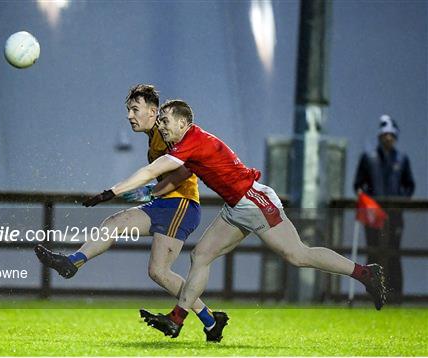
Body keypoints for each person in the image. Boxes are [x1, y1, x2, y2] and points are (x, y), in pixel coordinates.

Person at [83, 99, 388, 339]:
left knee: (298, 255)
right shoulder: (185, 143)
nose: (161, 126)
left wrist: (113, 190)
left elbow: (152, 172)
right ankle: (177, 320)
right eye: (159, 120)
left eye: (165, 120)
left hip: (253, 202)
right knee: (200, 256)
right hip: (235, 206)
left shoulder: (191, 141)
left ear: (184, 122)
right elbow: (160, 176)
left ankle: (365, 273)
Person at [35, 85, 229, 342]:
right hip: (165, 205)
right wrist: (138, 193)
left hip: (180, 206)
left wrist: (143, 192)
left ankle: (210, 320)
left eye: (135, 109)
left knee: (159, 271)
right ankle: (72, 263)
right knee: (115, 223)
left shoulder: (164, 133)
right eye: (128, 110)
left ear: (153, 112)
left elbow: (184, 172)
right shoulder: (155, 137)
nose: (129, 115)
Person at [354, 115, 415, 303]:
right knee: (373, 253)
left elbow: (409, 185)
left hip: (394, 217)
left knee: (394, 253)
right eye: (384, 134)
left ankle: (396, 296)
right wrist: (368, 203)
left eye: (391, 134)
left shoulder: (402, 159)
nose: (388, 138)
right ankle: (372, 294)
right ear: (380, 136)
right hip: (373, 216)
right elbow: (358, 185)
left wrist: (400, 202)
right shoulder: (368, 157)